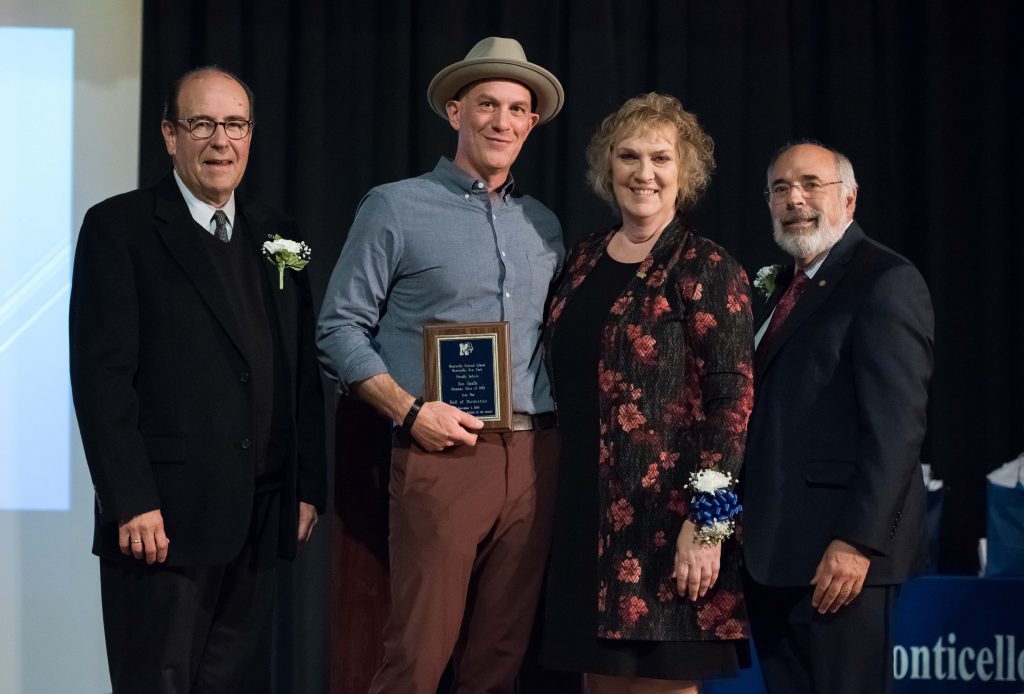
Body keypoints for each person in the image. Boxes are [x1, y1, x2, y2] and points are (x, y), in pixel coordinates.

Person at [316, 37, 564, 694]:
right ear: (456, 111)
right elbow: (338, 328)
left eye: (517, 108)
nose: (502, 121)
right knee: (417, 658)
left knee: (500, 661)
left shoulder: (544, 225)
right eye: (487, 104)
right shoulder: (395, 207)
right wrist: (410, 410)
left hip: (535, 455)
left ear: (531, 123)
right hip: (443, 454)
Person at [69, 67, 326, 693]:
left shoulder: (279, 233)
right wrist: (129, 499)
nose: (221, 141)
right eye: (202, 124)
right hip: (162, 523)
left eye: (234, 124)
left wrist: (307, 484)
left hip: (259, 515)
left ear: (251, 134)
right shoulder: (119, 229)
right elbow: (101, 380)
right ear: (169, 135)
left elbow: (300, 370)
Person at [540, 93, 754, 694]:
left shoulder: (709, 267)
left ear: (685, 170)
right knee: (599, 682)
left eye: (661, 157)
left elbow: (731, 403)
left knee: (662, 685)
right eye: (628, 156)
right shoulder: (581, 258)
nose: (644, 172)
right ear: (608, 168)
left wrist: (708, 526)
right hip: (584, 511)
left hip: (668, 522)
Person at [742, 141, 934, 694]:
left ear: (849, 199)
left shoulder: (885, 280)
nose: (794, 199)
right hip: (776, 554)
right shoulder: (782, 286)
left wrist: (858, 541)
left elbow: (897, 432)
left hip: (841, 560)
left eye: (810, 184)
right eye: (780, 188)